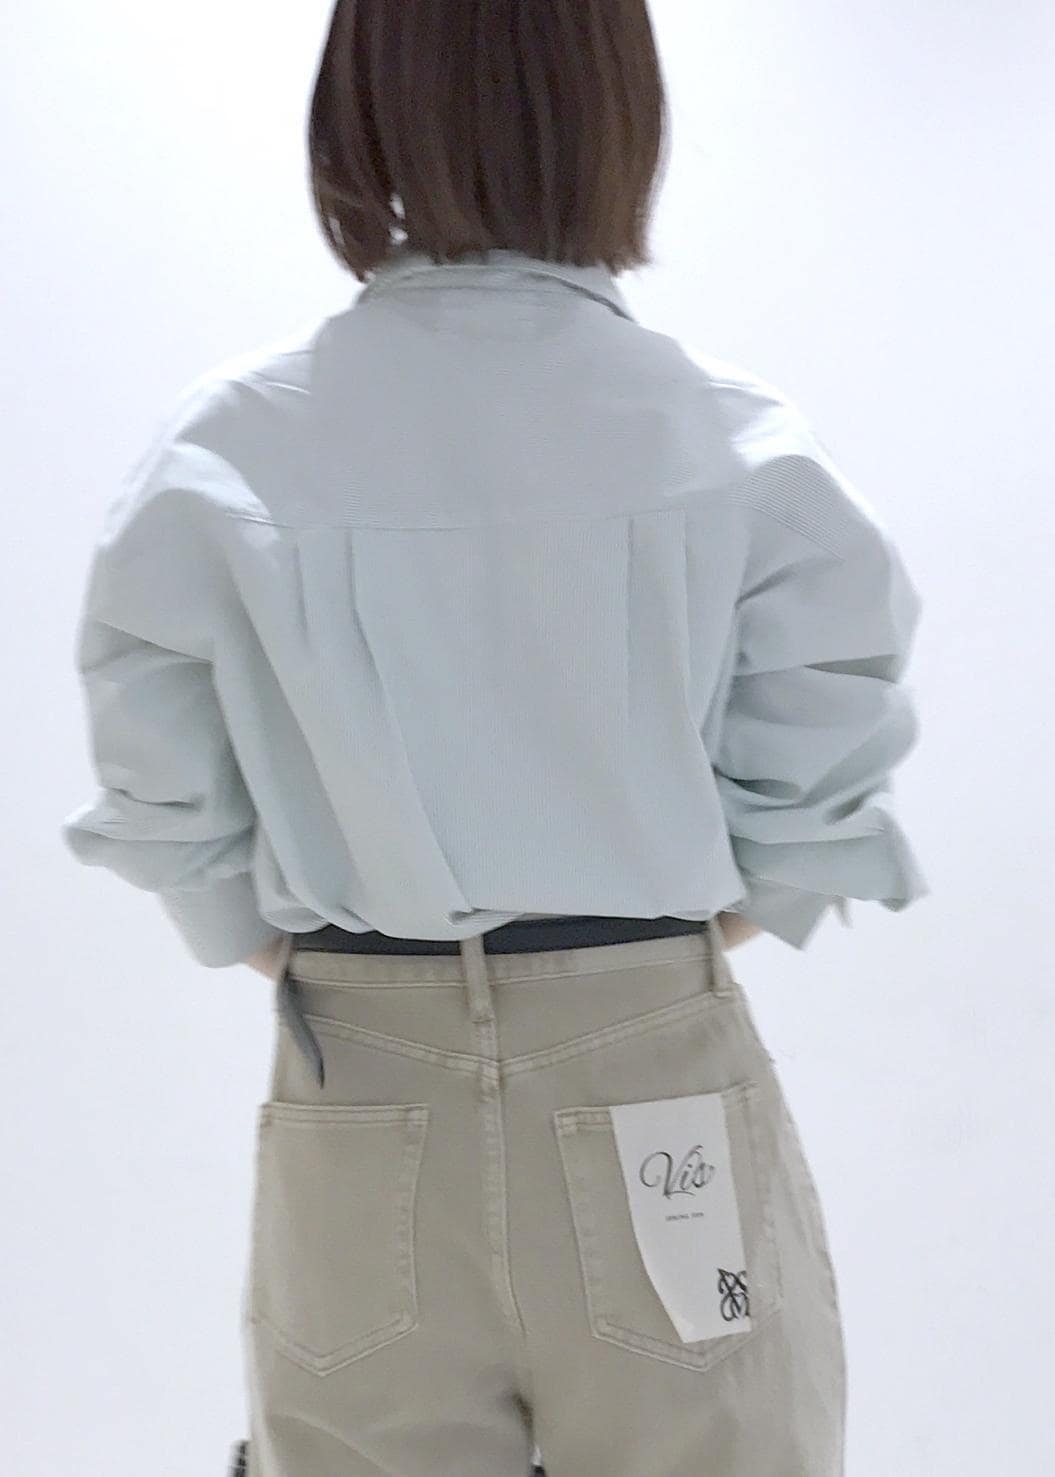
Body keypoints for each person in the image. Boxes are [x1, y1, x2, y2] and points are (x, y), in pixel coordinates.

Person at [59, 2, 928, 1474]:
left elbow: (158, 785)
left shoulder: (226, 449)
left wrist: (300, 947)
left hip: (358, 1086)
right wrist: (657, 947)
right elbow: (826, 750)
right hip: (651, 1074)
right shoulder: (734, 443)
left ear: (357, 111)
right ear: (619, 111)